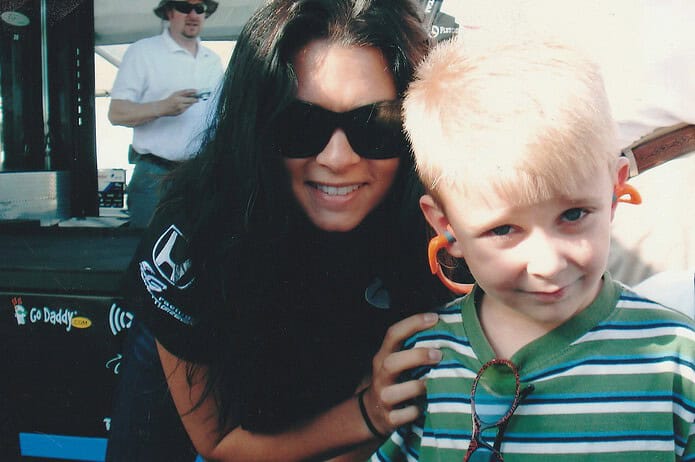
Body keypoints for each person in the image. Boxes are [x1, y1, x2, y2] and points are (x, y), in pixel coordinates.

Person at [106, 1, 467, 460]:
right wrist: (367, 414)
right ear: (255, 126)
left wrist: (369, 416)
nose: (338, 159)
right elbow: (220, 443)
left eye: (375, 124)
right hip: (215, 344)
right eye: (300, 124)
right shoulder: (193, 237)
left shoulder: (435, 228)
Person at [369, 37, 695, 461]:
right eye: (504, 229)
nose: (547, 264)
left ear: (614, 191)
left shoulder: (677, 360)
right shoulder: (428, 360)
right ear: (446, 227)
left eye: (575, 214)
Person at [108, 0, 224, 228]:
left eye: (200, 9)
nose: (193, 14)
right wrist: (163, 107)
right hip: (154, 177)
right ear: (169, 12)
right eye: (184, 7)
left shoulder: (213, 60)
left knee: (199, 253)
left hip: (199, 175)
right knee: (147, 256)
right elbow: (116, 113)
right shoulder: (143, 52)